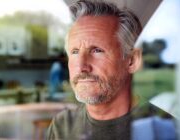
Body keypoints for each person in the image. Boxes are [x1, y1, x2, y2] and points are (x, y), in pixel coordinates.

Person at [47, 0, 142, 139]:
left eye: (97, 50)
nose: (81, 67)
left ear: (132, 61)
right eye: (74, 52)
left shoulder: (164, 129)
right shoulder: (62, 126)